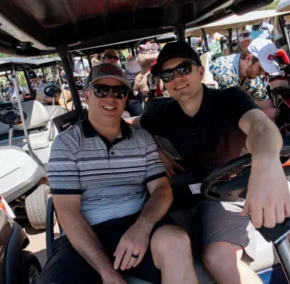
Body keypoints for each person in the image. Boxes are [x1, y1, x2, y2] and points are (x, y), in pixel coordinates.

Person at [133, 41, 290, 284]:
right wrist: (158, 150)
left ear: (200, 72)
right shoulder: (164, 115)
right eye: (168, 74)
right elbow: (129, 126)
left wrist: (266, 164)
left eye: (184, 69)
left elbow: (260, 127)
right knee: (219, 258)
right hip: (219, 196)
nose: (177, 78)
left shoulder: (230, 98)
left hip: (266, 179)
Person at [38, 63, 198, 284]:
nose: (110, 98)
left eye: (119, 92)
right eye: (102, 90)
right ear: (87, 95)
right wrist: (107, 271)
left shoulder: (142, 139)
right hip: (85, 232)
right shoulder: (66, 145)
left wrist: (142, 227)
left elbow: (161, 189)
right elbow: (68, 213)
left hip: (136, 221)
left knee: (176, 243)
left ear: (126, 98)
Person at [210, 37, 272, 102]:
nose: (262, 73)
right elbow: (233, 109)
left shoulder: (250, 73)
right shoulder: (225, 74)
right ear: (248, 58)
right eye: (260, 68)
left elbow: (264, 100)